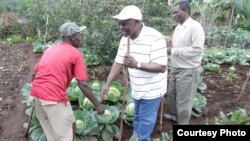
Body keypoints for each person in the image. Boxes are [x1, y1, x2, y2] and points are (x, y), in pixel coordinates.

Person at [101, 5, 168, 141]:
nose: (121, 27)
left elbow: (161, 67)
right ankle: (136, 137)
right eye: (119, 24)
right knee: (137, 118)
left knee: (145, 124)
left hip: (152, 90)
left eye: (124, 24)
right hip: (137, 88)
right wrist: (107, 84)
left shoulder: (155, 37)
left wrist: (136, 64)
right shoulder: (124, 40)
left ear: (137, 22)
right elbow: (118, 63)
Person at [30, 21, 104, 141]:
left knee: (57, 132)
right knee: (64, 136)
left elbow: (34, 74)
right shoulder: (75, 54)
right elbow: (83, 84)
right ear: (73, 38)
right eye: (79, 36)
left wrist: (39, 92)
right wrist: (98, 105)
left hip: (37, 96)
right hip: (53, 98)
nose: (81, 39)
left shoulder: (51, 49)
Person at [164, 0, 205, 124]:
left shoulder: (195, 27)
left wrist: (173, 50)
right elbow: (177, 46)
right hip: (175, 68)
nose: (174, 15)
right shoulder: (178, 28)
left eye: (176, 12)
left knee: (184, 100)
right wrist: (170, 46)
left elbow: (197, 50)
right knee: (171, 95)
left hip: (188, 69)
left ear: (186, 10)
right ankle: (175, 115)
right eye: (173, 13)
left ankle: (183, 124)